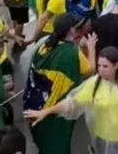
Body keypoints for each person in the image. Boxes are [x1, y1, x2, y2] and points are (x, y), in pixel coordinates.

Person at [23, 46, 118, 154]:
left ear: (116, 65)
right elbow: (70, 104)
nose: (101, 70)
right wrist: (46, 111)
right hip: (102, 140)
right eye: (99, 66)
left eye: (105, 66)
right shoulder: (93, 84)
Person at [22, 14, 92, 154]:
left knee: (42, 144)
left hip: (34, 103)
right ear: (71, 30)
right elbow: (90, 70)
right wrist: (92, 47)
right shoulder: (72, 52)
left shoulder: (44, 43)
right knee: (57, 146)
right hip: (54, 110)